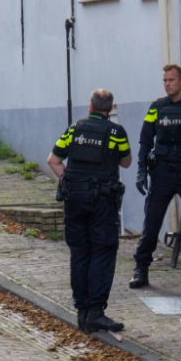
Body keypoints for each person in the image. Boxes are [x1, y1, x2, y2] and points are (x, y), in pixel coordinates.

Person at [47, 89, 132, 333]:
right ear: (110, 107)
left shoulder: (74, 129)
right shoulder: (116, 132)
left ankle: (82, 312)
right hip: (102, 201)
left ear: (90, 106)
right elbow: (126, 162)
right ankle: (96, 312)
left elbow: (53, 160)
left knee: (79, 252)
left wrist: (72, 181)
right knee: (102, 252)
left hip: (74, 199)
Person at [129, 64, 181, 288]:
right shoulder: (157, 107)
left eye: (171, 80)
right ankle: (141, 269)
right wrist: (141, 170)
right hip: (162, 172)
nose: (167, 84)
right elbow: (146, 141)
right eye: (165, 80)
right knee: (151, 224)